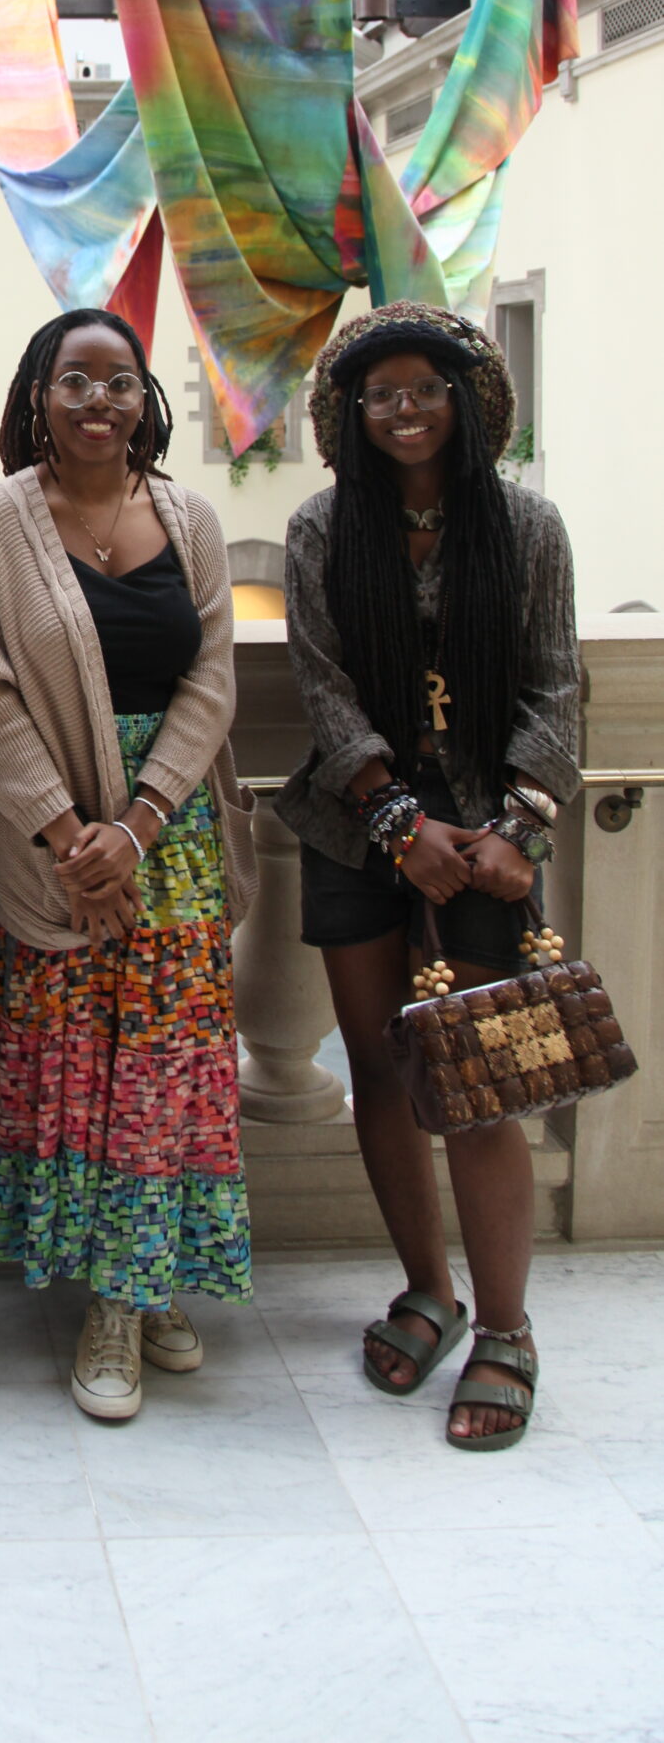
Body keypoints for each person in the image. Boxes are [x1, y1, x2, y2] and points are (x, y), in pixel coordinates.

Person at [278, 301, 580, 1451]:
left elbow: (557, 686)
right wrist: (398, 819)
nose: (405, 409)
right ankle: (429, 1290)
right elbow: (323, 688)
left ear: (466, 401)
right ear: (352, 415)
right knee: (382, 1063)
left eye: (425, 388)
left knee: (481, 1077)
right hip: (358, 831)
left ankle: (506, 1327)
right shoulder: (319, 531)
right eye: (381, 394)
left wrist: (515, 825)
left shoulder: (528, 529)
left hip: (490, 841)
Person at [0, 308, 257, 1424]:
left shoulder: (193, 517)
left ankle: (139, 1285)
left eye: (118, 381)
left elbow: (213, 680)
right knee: (72, 1069)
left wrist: (134, 822)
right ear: (39, 394)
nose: (97, 400)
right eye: (73, 379)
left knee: (167, 1074)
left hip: (166, 834)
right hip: (50, 847)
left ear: (145, 399)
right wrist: (66, 832)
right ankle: (110, 1289)